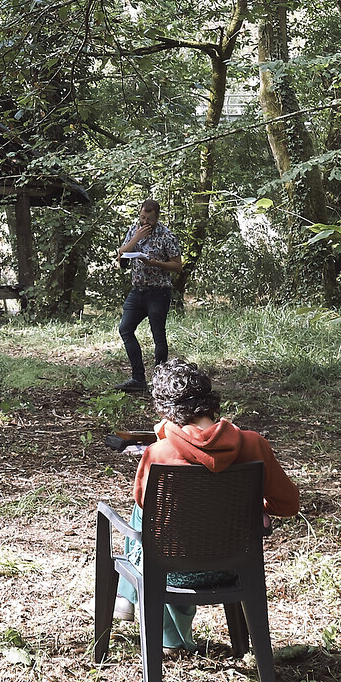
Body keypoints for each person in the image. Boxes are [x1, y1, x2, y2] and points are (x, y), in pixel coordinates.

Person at [114, 359, 299, 651]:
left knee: (143, 514)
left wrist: (165, 437)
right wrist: (253, 506)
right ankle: (163, 628)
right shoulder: (253, 444)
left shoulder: (158, 453)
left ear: (164, 410)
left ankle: (143, 613)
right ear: (211, 402)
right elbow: (288, 504)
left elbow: (145, 507)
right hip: (236, 564)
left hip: (171, 569)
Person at [113, 198, 183, 395]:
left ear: (157, 217)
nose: (145, 222)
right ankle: (138, 378)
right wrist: (136, 239)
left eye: (149, 220)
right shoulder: (134, 229)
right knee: (125, 329)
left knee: (158, 335)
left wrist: (155, 263)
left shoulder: (166, 235)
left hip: (158, 291)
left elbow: (177, 266)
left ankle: (161, 381)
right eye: (142, 217)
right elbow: (121, 254)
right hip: (138, 290)